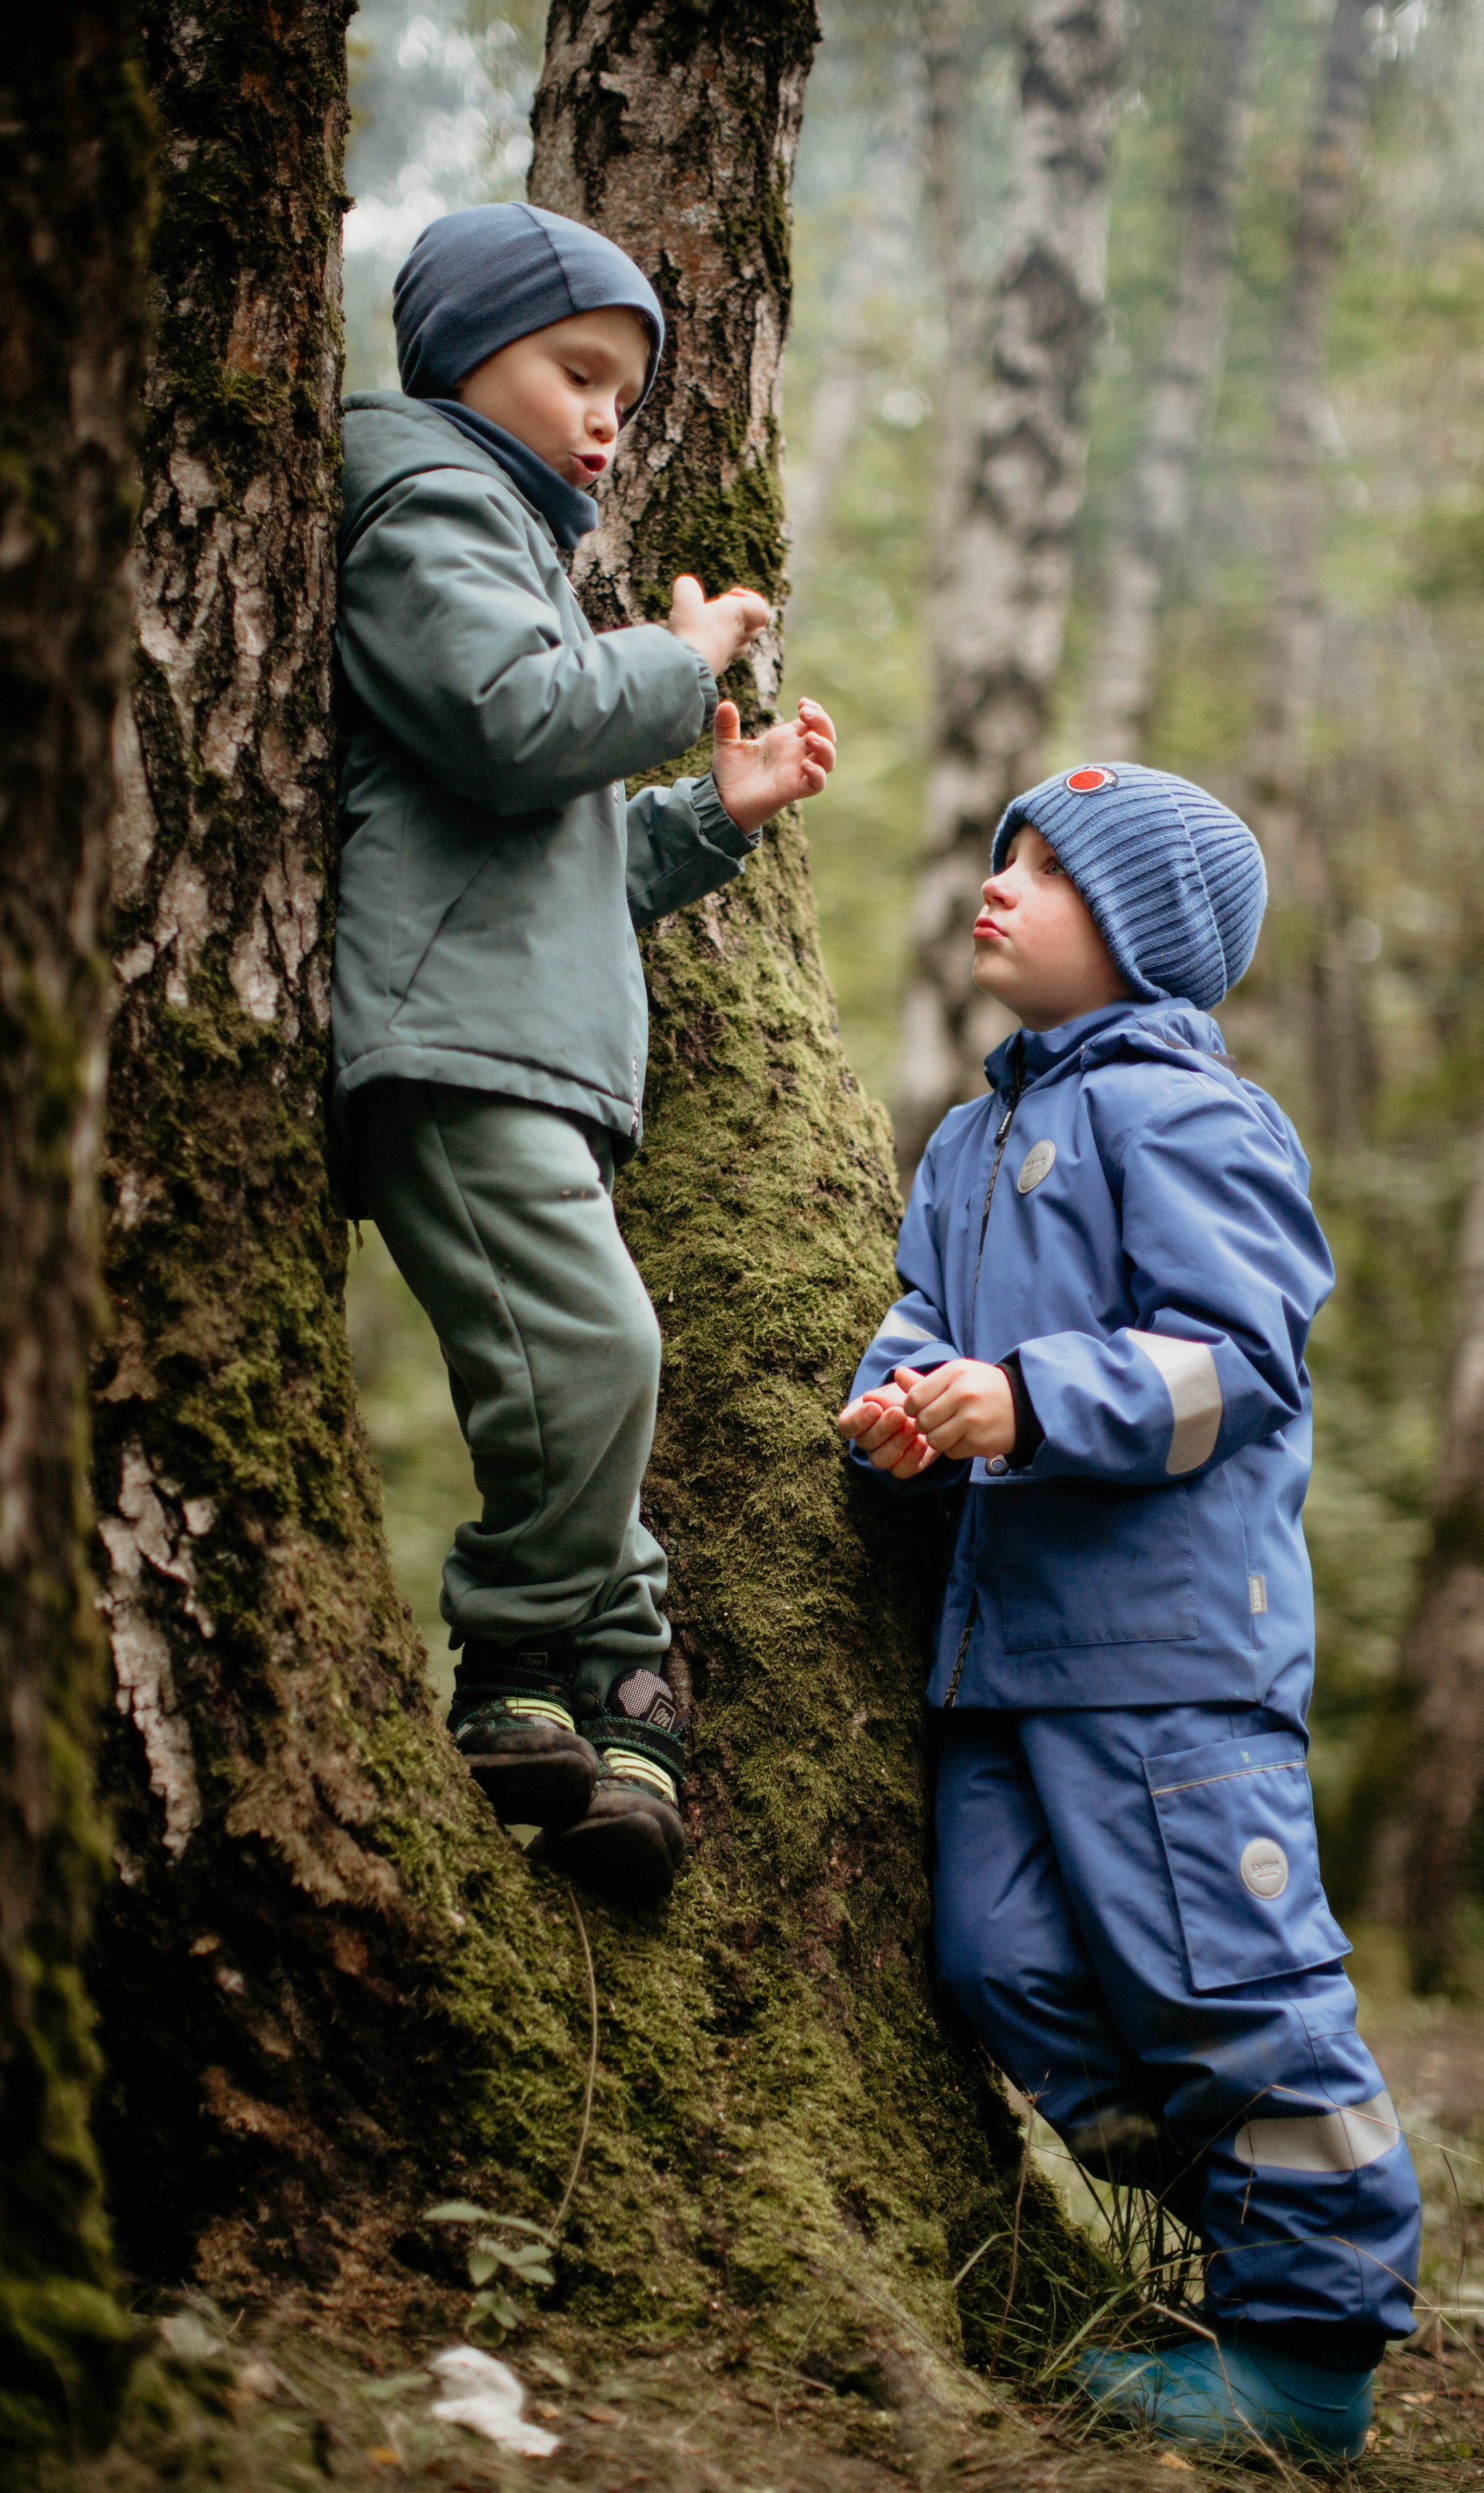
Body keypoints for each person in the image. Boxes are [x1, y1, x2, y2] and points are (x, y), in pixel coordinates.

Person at [837, 765, 1420, 2461]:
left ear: (1148, 934)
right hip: (999, 1658)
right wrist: (902, 1408)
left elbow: (1237, 1361)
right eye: (998, 857)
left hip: (1168, 1659)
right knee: (994, 1954)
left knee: (1223, 1977)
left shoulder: (1189, 1113)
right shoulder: (970, 1136)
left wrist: (1031, 1399)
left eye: (1050, 870)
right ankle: (1261, 2203)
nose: (998, 889)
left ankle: (1309, 2348)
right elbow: (922, 1318)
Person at [332, 203, 835, 1904]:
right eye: (579, 370)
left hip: (505, 1031)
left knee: (583, 1393)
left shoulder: (497, 533)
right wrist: (674, 659)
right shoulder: (423, 505)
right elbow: (511, 721)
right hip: (446, 1048)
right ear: (469, 353)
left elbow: (551, 856)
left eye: (630, 385)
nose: (611, 416)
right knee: (596, 1361)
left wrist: (713, 814)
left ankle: (608, 1708)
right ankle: (514, 1661)